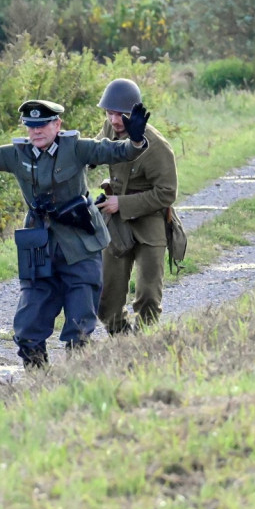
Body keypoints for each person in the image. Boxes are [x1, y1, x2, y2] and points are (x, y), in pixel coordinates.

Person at [0, 87, 150, 369]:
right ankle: (37, 383)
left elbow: (118, 151)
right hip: (39, 249)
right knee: (27, 329)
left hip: (80, 246)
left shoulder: (77, 148)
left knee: (79, 329)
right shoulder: (17, 154)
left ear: (57, 124)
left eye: (42, 125)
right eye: (31, 126)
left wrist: (137, 139)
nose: (36, 131)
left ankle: (76, 386)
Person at [94, 78, 178, 335]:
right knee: (106, 300)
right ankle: (122, 340)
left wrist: (123, 203)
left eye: (122, 114)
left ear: (136, 113)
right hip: (117, 221)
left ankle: (145, 342)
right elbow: (92, 153)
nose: (115, 120)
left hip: (149, 218)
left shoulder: (157, 146)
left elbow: (167, 193)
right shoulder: (109, 131)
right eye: (110, 113)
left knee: (149, 296)